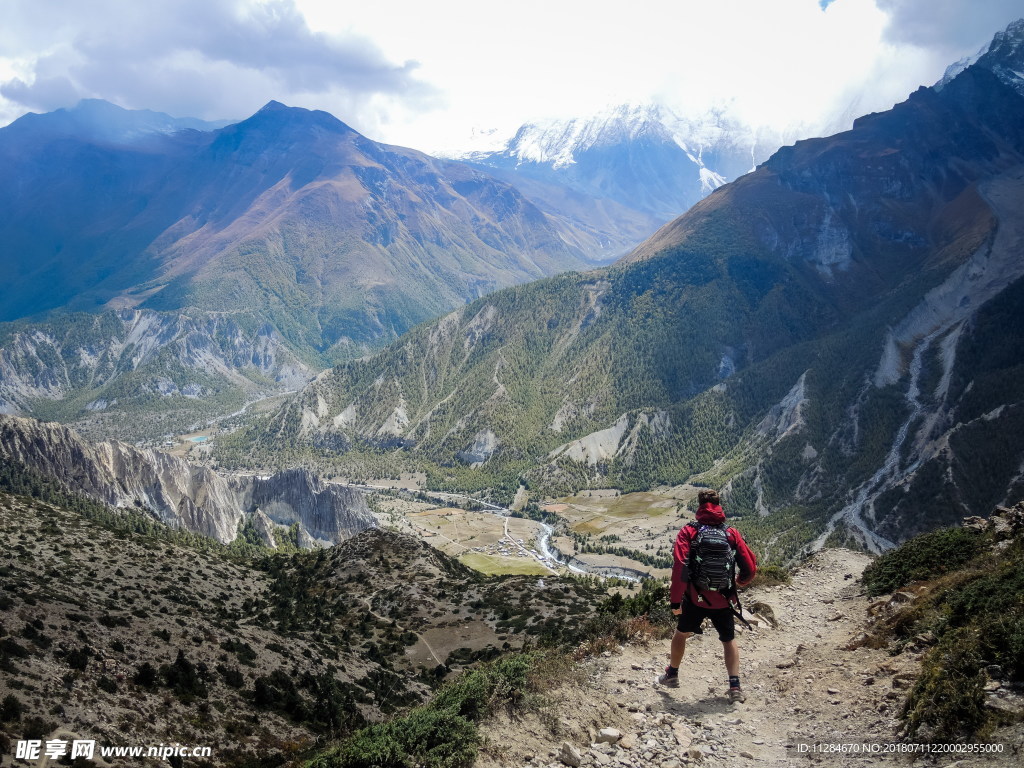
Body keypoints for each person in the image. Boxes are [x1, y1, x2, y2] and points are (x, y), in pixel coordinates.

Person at [656, 489, 757, 702]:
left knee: (681, 634)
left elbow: (680, 567)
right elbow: (749, 567)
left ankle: (672, 675)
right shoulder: (731, 533)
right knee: (728, 640)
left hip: (695, 598)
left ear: (699, 506)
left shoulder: (688, 532)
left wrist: (675, 600)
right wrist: (739, 582)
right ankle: (735, 687)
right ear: (719, 505)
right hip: (724, 599)